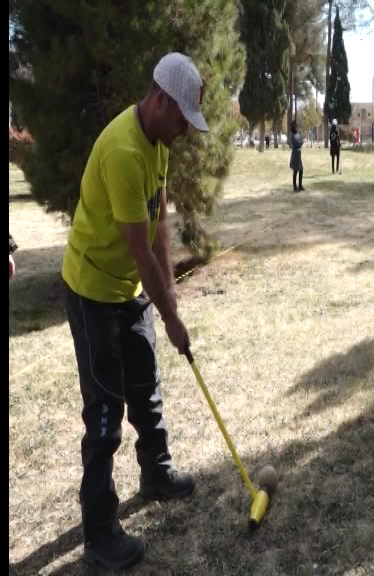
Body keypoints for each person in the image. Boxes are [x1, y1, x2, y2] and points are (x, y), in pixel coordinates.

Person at [61, 52, 209, 570]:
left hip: (128, 289)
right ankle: (99, 535)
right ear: (162, 101)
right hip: (92, 290)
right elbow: (137, 250)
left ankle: (156, 471)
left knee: (145, 386)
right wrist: (170, 317)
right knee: (105, 412)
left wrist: (169, 296)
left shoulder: (158, 142)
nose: (187, 131)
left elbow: (158, 227)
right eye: (184, 119)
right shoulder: (124, 149)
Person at [289, 120, 304, 191]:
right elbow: (296, 143)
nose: (296, 127)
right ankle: (295, 187)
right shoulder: (292, 135)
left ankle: (300, 186)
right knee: (295, 170)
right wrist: (299, 144)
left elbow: (301, 141)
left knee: (301, 169)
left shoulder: (298, 134)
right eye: (295, 126)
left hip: (299, 153)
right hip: (295, 153)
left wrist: (300, 143)